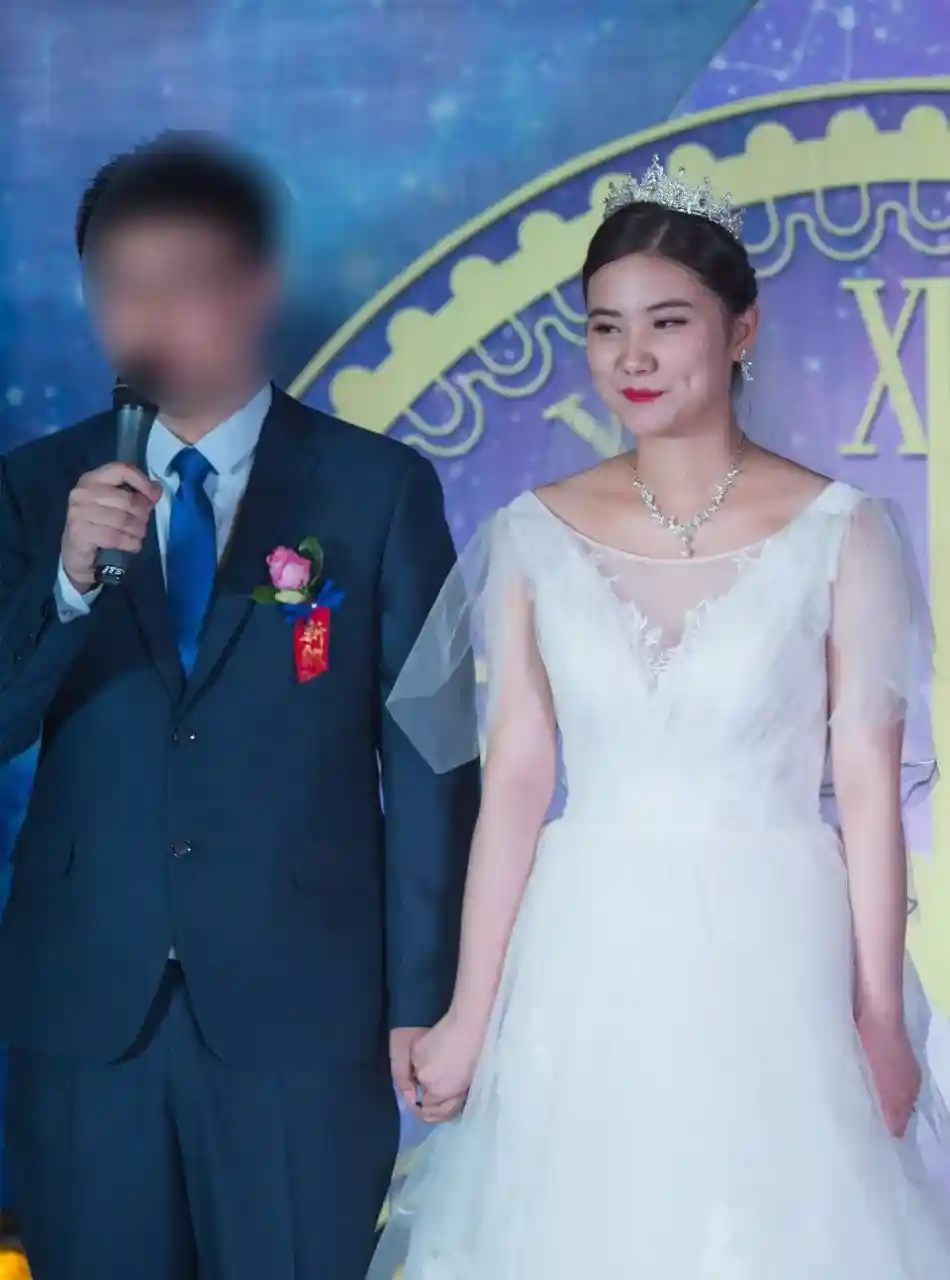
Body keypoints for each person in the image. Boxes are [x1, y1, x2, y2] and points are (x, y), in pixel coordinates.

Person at [368, 158, 950, 1276]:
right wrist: (470, 1011)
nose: (631, 356)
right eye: (605, 327)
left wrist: (879, 1015)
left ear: (740, 331)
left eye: (666, 322)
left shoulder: (843, 530)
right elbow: (517, 782)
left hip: (776, 941)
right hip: (584, 943)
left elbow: (871, 792)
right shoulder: (531, 532)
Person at [0, 132, 480, 1280]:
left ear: (255, 289)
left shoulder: (378, 487)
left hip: (303, 1004)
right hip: (87, 1005)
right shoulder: (37, 485)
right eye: (119, 287)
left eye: (179, 282)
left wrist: (427, 994)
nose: (146, 317)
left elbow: (433, 752)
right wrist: (66, 585)